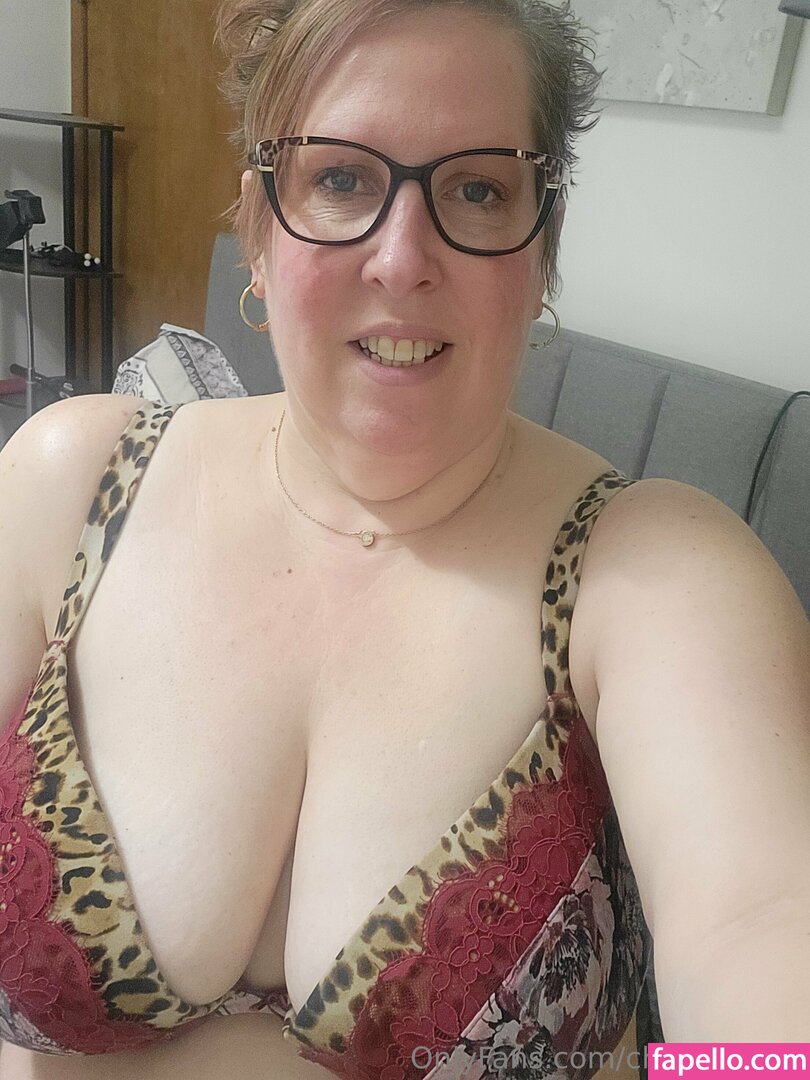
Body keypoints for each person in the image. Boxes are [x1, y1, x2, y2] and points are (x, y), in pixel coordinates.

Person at [1, 0, 809, 1077]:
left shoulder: (657, 573)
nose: (400, 258)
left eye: (476, 189)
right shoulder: (72, 481)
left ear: (543, 249)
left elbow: (758, 925)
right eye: (341, 178)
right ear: (258, 226)